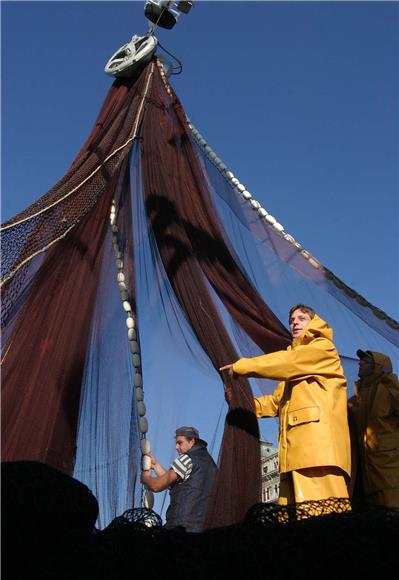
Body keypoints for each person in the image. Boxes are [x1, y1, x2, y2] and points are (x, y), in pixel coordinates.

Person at [220, 304, 351, 507]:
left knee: (325, 518)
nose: (294, 323)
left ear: (314, 322)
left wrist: (243, 366)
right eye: (291, 320)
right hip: (293, 457)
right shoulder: (294, 370)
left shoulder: (322, 349)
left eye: (301, 318)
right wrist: (240, 402)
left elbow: (288, 362)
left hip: (318, 453)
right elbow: (275, 403)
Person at [348, 350, 399, 508]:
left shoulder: (389, 390)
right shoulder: (357, 399)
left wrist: (389, 380)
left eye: (366, 361)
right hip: (366, 474)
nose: (360, 363)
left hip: (389, 471)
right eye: (361, 361)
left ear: (379, 366)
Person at [141, 426, 217, 532]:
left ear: (191, 442)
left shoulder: (187, 458)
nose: (176, 447)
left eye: (180, 443)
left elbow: (156, 485)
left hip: (181, 528)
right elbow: (175, 483)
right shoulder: (212, 465)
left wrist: (146, 477)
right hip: (203, 529)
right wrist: (156, 465)